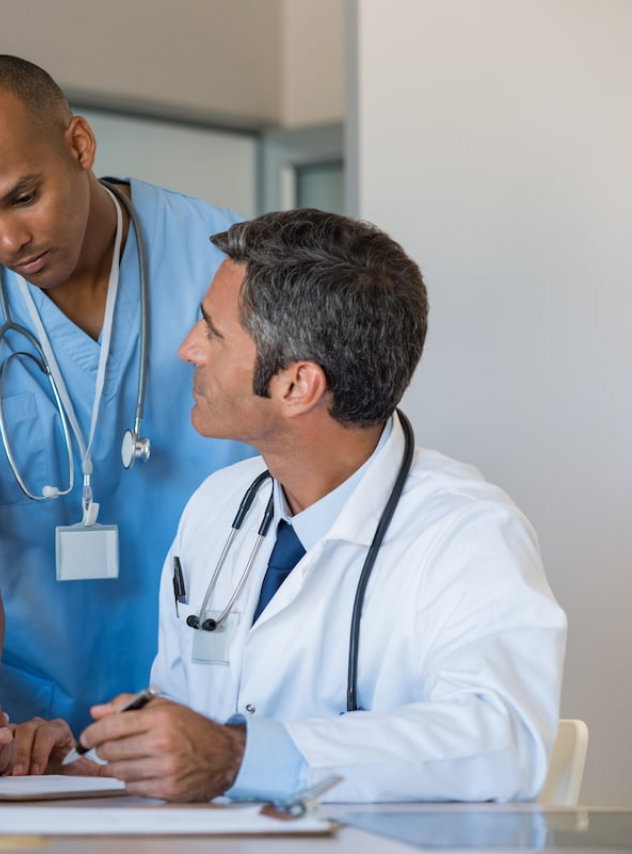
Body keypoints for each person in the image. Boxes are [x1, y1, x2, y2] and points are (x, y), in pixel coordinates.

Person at [79, 209, 566, 802]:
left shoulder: (465, 532)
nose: (188, 349)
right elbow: (185, 713)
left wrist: (240, 757)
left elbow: (503, 741)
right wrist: (89, 754)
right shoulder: (218, 505)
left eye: (212, 331)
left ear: (296, 386)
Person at [0, 54, 254, 777]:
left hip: (222, 694)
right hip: (32, 725)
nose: (7, 241)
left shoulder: (232, 266)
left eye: (23, 197)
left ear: (79, 145)